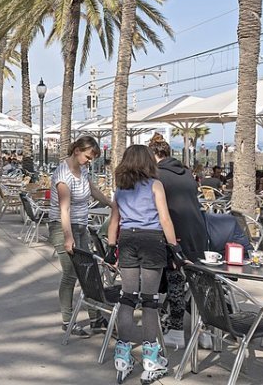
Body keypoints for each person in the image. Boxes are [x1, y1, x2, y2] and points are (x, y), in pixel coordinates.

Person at [106, 144, 184, 385]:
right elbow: (164, 218)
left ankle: (122, 355)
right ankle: (151, 359)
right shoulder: (155, 185)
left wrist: (111, 248)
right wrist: (175, 249)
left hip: (127, 238)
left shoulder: (121, 188)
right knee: (150, 301)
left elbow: (114, 220)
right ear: (148, 161)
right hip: (152, 240)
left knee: (127, 297)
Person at [147, 133, 208, 351]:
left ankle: (176, 330)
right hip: (198, 232)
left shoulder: (157, 175)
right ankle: (206, 332)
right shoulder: (187, 173)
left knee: (175, 281)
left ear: (155, 154)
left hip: (176, 233)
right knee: (197, 283)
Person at [49, 136, 113, 337]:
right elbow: (64, 209)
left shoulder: (83, 170)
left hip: (81, 225)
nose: (89, 161)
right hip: (62, 226)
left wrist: (112, 204)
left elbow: (94, 191)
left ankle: (95, 319)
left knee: (88, 271)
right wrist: (69, 238)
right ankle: (67, 321)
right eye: (88, 156)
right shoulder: (63, 174)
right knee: (71, 274)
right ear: (76, 150)